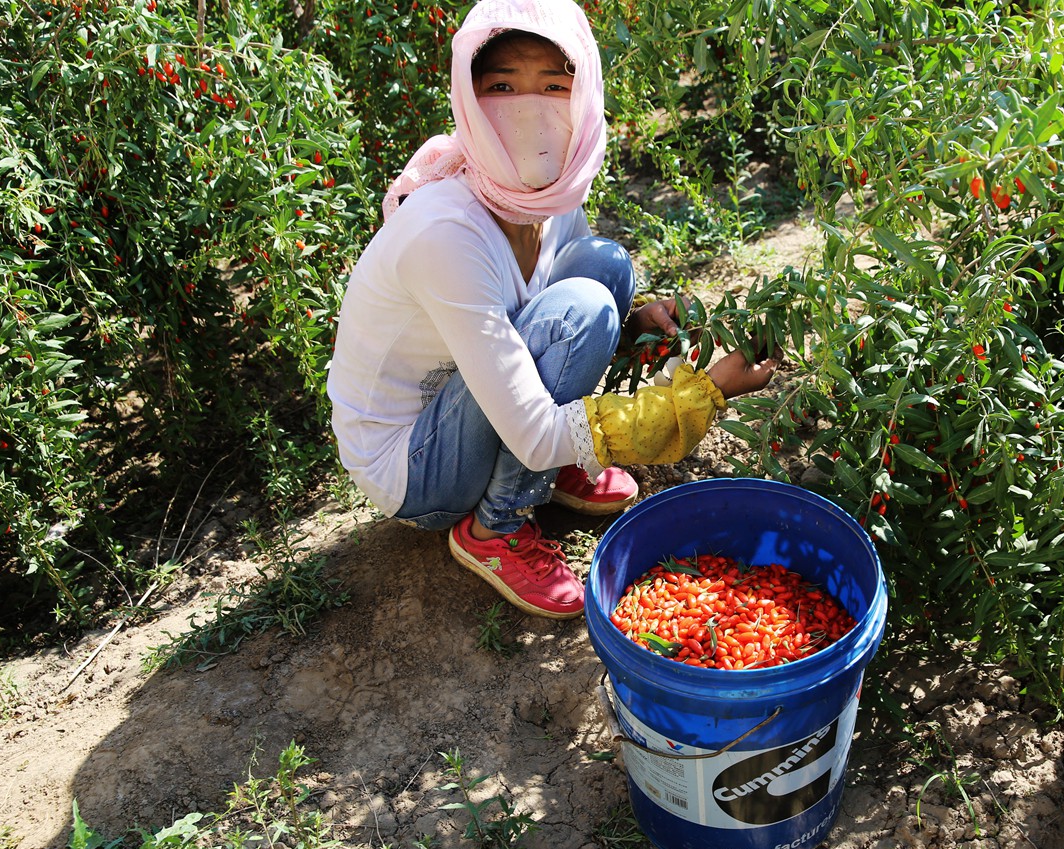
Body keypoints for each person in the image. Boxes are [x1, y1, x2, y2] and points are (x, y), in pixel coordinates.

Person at [327, 0, 776, 620]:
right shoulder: (445, 232)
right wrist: (700, 397)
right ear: (468, 99)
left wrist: (634, 324)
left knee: (605, 267)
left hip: (484, 405)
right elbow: (543, 403)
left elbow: (559, 312)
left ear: (584, 97)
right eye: (502, 86)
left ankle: (555, 469)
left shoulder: (549, 197)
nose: (529, 109)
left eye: (554, 86)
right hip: (417, 469)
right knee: (584, 308)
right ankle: (496, 527)